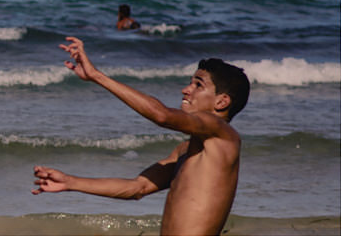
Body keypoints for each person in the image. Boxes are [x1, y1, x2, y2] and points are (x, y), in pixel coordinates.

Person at [32, 37, 250, 236]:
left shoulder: (224, 135)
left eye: (198, 85)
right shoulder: (184, 151)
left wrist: (96, 76)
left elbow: (162, 116)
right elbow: (138, 187)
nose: (185, 90)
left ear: (221, 102)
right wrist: (71, 182)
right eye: (190, 82)